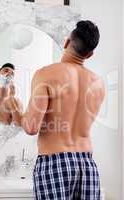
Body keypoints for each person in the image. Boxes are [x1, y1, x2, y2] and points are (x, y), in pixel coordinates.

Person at [21, 20, 104, 199]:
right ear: (90, 54)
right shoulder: (98, 84)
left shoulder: (45, 74)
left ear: (67, 42)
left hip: (54, 162)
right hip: (87, 164)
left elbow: (31, 127)